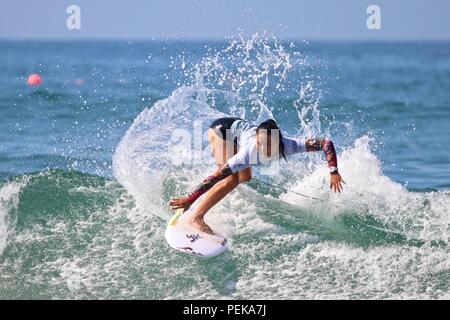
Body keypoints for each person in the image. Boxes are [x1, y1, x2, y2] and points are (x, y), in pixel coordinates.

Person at [169, 117, 345, 234]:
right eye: (259, 143)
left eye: (267, 144)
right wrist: (189, 200)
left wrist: (333, 171)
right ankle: (196, 217)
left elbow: (325, 143)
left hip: (238, 133)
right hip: (222, 131)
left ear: (277, 141)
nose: (261, 148)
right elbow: (216, 176)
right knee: (232, 180)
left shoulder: (290, 145)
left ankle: (219, 196)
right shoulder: (248, 153)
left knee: (246, 178)